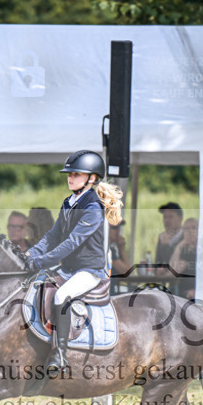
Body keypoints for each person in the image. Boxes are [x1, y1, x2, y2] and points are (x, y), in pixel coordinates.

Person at [26, 150, 123, 375]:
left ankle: (59, 354)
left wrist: (41, 261)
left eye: (76, 174)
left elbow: (71, 243)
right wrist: (31, 253)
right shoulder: (69, 202)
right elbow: (53, 235)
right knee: (36, 284)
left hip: (89, 271)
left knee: (61, 296)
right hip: (68, 268)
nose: (70, 178)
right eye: (69, 174)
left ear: (92, 178)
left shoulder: (93, 207)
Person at [153, 202, 184, 270]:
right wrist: (157, 270)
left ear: (180, 218)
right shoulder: (162, 237)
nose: (167, 220)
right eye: (165, 217)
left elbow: (174, 266)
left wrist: (165, 245)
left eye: (170, 217)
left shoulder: (186, 237)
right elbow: (157, 263)